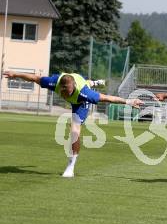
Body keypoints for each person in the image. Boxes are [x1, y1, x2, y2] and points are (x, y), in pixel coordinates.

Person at [3, 71, 142, 178]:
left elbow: (107, 98)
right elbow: (35, 78)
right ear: (60, 88)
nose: (66, 96)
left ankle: (71, 166)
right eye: (64, 94)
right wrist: (15, 74)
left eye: (69, 93)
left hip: (80, 103)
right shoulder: (53, 82)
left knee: (74, 131)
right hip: (78, 82)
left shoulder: (85, 94)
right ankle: (92, 82)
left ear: (73, 87)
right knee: (84, 86)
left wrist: (129, 102)